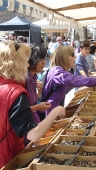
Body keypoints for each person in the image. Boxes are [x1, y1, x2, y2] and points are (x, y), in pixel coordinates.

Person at [0, 40, 66, 168]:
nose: (28, 64)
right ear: (17, 64)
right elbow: (33, 134)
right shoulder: (15, 92)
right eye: (26, 61)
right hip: (7, 158)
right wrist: (56, 111)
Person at [41, 45, 96, 115]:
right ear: (64, 57)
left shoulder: (60, 70)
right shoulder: (56, 72)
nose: (75, 56)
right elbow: (72, 80)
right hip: (48, 113)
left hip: (54, 111)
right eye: (72, 55)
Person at [26, 44, 51, 123]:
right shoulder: (24, 80)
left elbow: (30, 101)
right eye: (41, 60)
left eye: (44, 59)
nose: (44, 62)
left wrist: (38, 92)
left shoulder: (33, 78)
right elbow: (22, 110)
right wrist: (38, 107)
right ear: (32, 60)